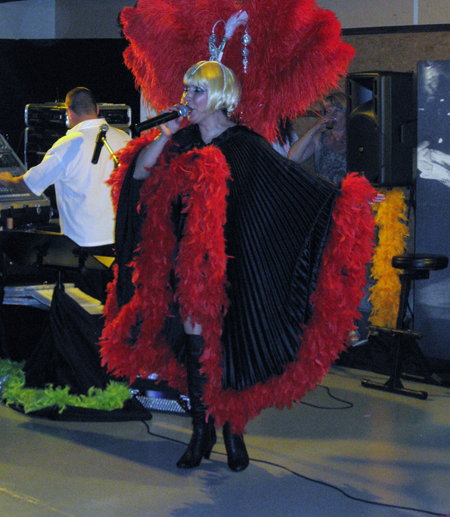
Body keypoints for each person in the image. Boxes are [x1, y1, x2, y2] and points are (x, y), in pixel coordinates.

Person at [100, 60, 378, 472]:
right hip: (188, 267)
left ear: (219, 97)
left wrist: (345, 200)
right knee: (196, 348)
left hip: (238, 264)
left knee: (229, 349)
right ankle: (201, 431)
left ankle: (233, 431)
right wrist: (165, 134)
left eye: (197, 90)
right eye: (187, 89)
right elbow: (139, 174)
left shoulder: (245, 143)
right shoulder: (182, 141)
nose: (188, 98)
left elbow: (290, 182)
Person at [0, 87, 131, 249]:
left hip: (83, 247)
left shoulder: (67, 146)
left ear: (69, 112)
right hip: (121, 242)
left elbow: (29, 185)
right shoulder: (125, 139)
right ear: (97, 108)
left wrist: (8, 180)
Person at [288, 91, 347, 185]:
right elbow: (293, 157)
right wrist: (315, 127)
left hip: (350, 192)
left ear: (346, 113)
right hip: (324, 192)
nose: (332, 115)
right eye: (329, 111)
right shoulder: (319, 137)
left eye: (337, 111)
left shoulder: (354, 137)